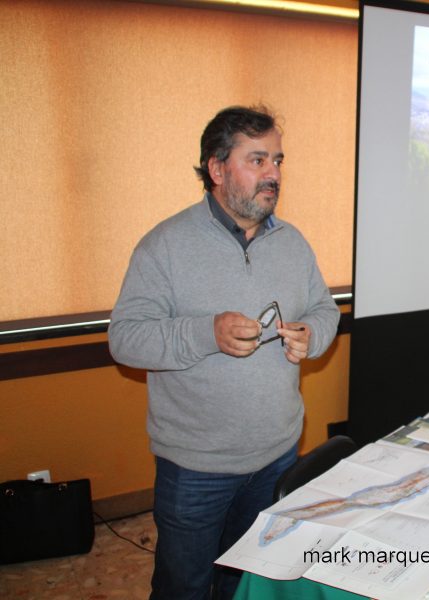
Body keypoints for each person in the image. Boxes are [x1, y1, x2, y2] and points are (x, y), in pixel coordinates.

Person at [108, 105, 340, 600]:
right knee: (184, 587)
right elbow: (125, 338)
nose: (273, 174)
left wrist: (311, 334)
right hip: (195, 468)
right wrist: (204, 334)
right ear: (217, 169)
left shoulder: (292, 243)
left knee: (247, 584)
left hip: (277, 456)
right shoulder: (164, 246)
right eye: (257, 160)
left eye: (277, 160)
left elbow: (325, 309)